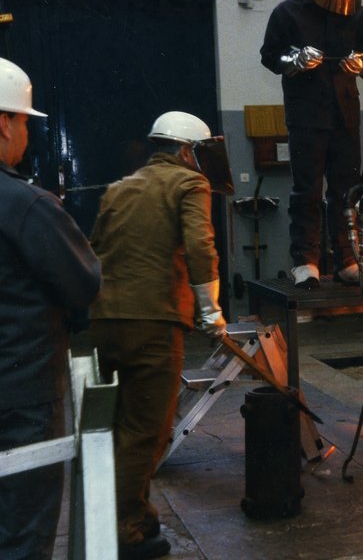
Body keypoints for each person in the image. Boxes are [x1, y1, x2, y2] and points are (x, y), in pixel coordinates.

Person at [89, 111, 230, 560]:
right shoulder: (189, 183)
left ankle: (135, 516)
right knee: (145, 433)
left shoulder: (119, 188)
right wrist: (211, 311)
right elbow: (199, 244)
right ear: (188, 151)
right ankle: (125, 533)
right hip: (153, 323)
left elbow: (94, 251)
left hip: (104, 323)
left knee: (113, 430)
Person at [0, 58, 102, 558]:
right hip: (21, 401)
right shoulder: (25, 203)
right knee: (22, 528)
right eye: (23, 122)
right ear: (4, 123)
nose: (25, 133)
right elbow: (83, 283)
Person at [260, 0, 363, 289]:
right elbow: (270, 57)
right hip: (307, 117)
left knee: (346, 191)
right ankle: (306, 261)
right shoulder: (286, 13)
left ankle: (346, 260)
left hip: (345, 116)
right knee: (307, 190)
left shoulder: (355, 13)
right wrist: (294, 61)